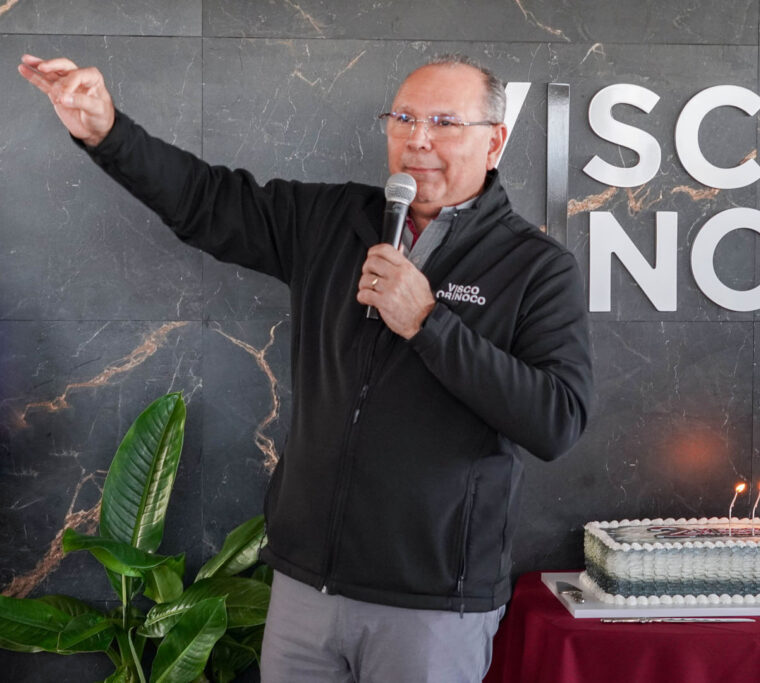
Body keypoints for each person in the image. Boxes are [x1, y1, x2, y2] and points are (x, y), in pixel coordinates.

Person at [18, 52, 592, 682]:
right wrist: (107, 132)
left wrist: (428, 323)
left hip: (431, 604)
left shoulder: (535, 267)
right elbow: (205, 201)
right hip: (304, 588)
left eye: (444, 122)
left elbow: (556, 420)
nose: (417, 139)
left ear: (494, 142)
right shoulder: (333, 220)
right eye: (403, 118)